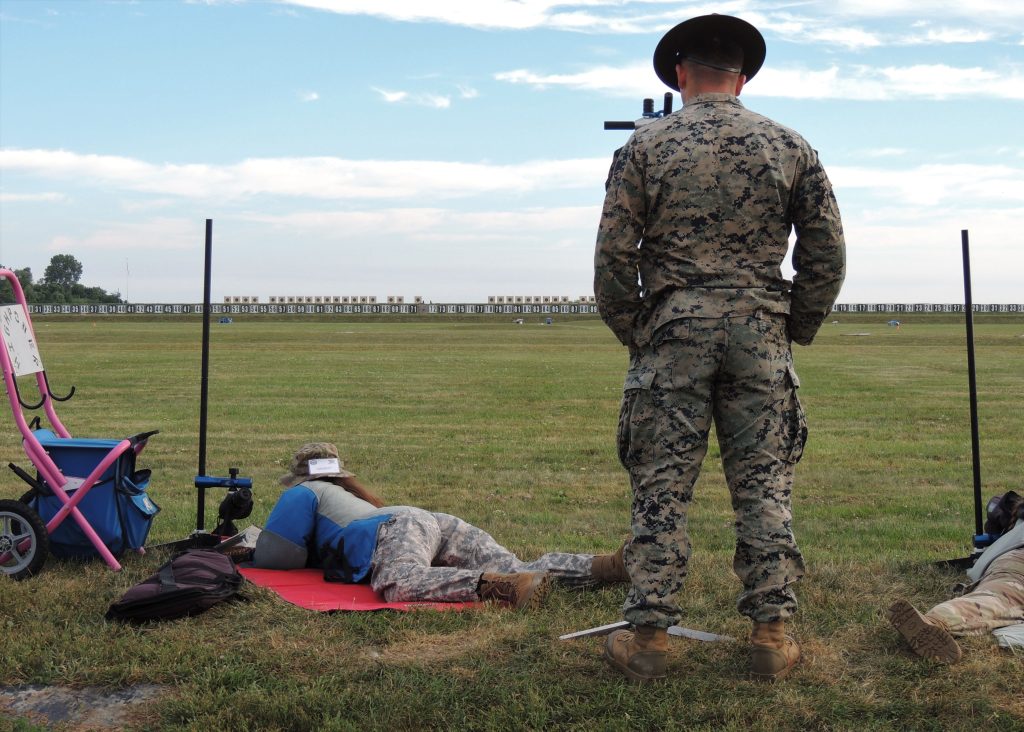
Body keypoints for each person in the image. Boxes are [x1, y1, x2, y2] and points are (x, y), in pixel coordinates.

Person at [594, 14, 846, 682]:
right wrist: (794, 324)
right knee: (763, 483)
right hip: (759, 332)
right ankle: (770, 633)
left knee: (661, 488)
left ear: (680, 76)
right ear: (745, 77)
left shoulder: (646, 148)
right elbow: (826, 255)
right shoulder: (788, 146)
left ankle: (647, 636)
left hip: (673, 332)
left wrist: (638, 329)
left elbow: (614, 255)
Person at [253, 442, 629, 608]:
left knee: (402, 583)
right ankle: (607, 566)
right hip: (430, 520)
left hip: (399, 528)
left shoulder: (304, 492)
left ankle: (497, 588)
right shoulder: (349, 496)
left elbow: (277, 557)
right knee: (515, 564)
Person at [889, 491, 1024, 663]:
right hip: (1016, 566)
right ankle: (936, 622)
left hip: (1011, 561)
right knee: (1002, 597)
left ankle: (937, 620)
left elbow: (997, 511)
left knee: (998, 596)